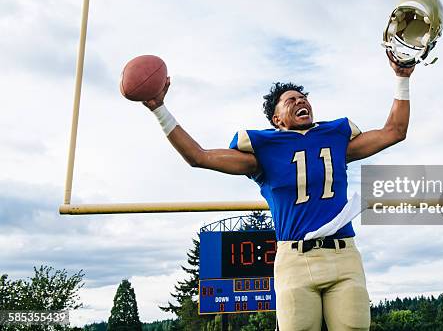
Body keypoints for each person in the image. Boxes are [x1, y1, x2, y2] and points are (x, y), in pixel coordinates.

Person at [143, 56, 414, 330]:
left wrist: (402, 78)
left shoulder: (335, 139)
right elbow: (198, 156)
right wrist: (159, 109)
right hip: (295, 260)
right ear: (276, 119)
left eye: (303, 98)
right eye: (291, 100)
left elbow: (394, 131)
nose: (300, 101)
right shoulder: (264, 150)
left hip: (343, 256)